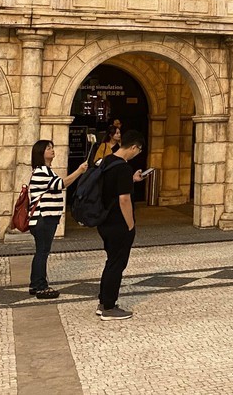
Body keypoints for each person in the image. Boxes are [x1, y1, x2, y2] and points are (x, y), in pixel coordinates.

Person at [27, 140, 87, 299]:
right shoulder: (41, 171)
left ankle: (35, 284)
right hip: (43, 218)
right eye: (48, 148)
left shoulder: (46, 170)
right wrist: (79, 171)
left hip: (46, 218)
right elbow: (60, 184)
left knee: (41, 251)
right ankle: (40, 287)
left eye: (52, 147)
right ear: (41, 153)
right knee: (42, 252)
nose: (52, 150)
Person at [96, 130, 145, 321]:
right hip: (118, 223)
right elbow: (124, 199)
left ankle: (103, 301)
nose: (137, 154)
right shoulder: (123, 167)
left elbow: (111, 186)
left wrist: (132, 180)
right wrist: (130, 224)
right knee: (117, 264)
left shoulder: (107, 161)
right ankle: (109, 306)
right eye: (138, 150)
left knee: (111, 262)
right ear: (133, 147)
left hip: (105, 221)